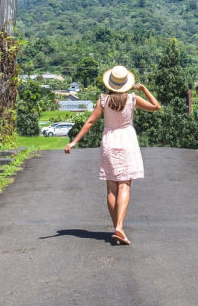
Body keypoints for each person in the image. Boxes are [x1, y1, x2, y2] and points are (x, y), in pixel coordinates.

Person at [64, 64, 161, 245]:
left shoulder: (103, 100)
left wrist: (74, 141)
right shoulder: (133, 99)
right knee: (124, 185)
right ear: (127, 83)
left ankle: (117, 226)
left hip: (109, 141)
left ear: (110, 83)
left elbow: (91, 121)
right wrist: (145, 89)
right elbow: (156, 106)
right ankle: (120, 226)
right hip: (128, 141)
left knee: (111, 187)